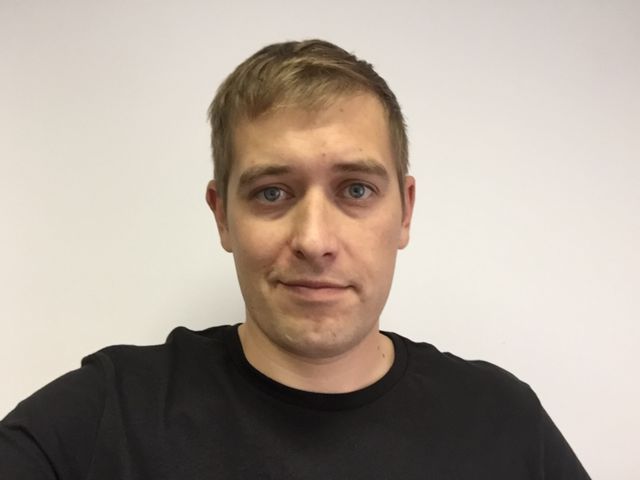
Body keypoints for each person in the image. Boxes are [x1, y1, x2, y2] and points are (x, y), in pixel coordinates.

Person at [0, 39, 590, 479]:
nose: (314, 239)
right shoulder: (105, 417)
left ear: (405, 212)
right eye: (271, 193)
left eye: (355, 189)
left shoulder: (501, 421)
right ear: (222, 217)